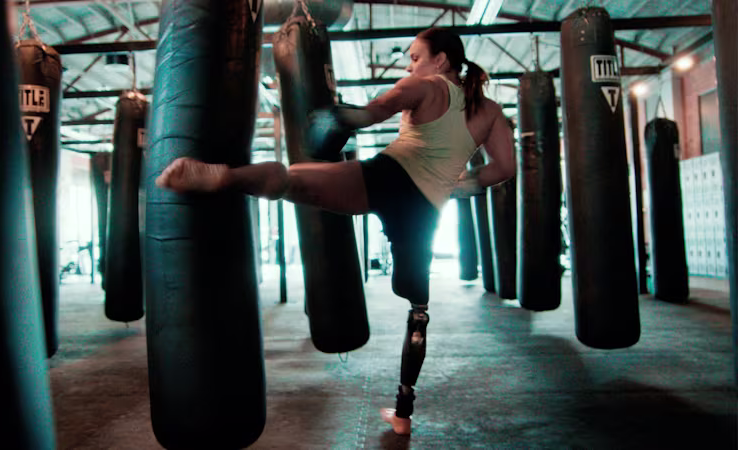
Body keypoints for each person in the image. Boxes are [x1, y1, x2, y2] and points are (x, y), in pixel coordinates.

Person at [155, 27, 516, 436]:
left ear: (443, 60)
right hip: (425, 210)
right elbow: (504, 169)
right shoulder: (490, 113)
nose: (410, 64)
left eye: (416, 56)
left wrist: (338, 117)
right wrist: (456, 184)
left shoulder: (425, 85)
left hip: (387, 178)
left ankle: (222, 178)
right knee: (417, 310)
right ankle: (402, 412)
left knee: (294, 181)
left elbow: (368, 114)